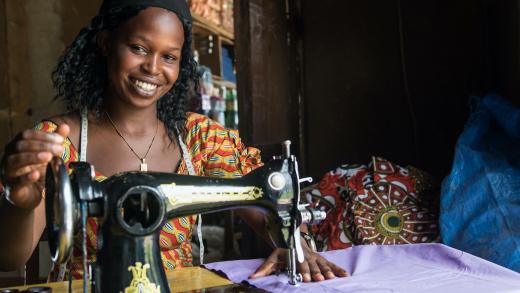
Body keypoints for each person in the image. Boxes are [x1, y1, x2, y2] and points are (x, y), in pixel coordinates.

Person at [0, 0, 348, 283]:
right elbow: (8, 258)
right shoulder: (58, 142)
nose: (153, 67)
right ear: (106, 44)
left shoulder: (201, 138)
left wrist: (294, 244)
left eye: (169, 56)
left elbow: (269, 208)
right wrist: (20, 203)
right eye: (138, 48)